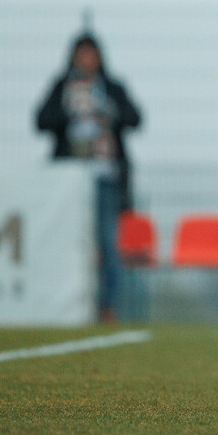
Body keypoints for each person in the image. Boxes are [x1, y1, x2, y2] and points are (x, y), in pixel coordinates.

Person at [34, 31, 142, 323]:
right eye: (81, 54)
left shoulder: (111, 88)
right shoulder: (62, 87)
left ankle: (108, 306)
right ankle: (63, 304)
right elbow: (41, 120)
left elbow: (136, 118)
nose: (86, 60)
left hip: (104, 176)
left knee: (108, 243)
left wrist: (108, 112)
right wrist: (70, 113)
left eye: (91, 54)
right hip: (68, 182)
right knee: (66, 244)